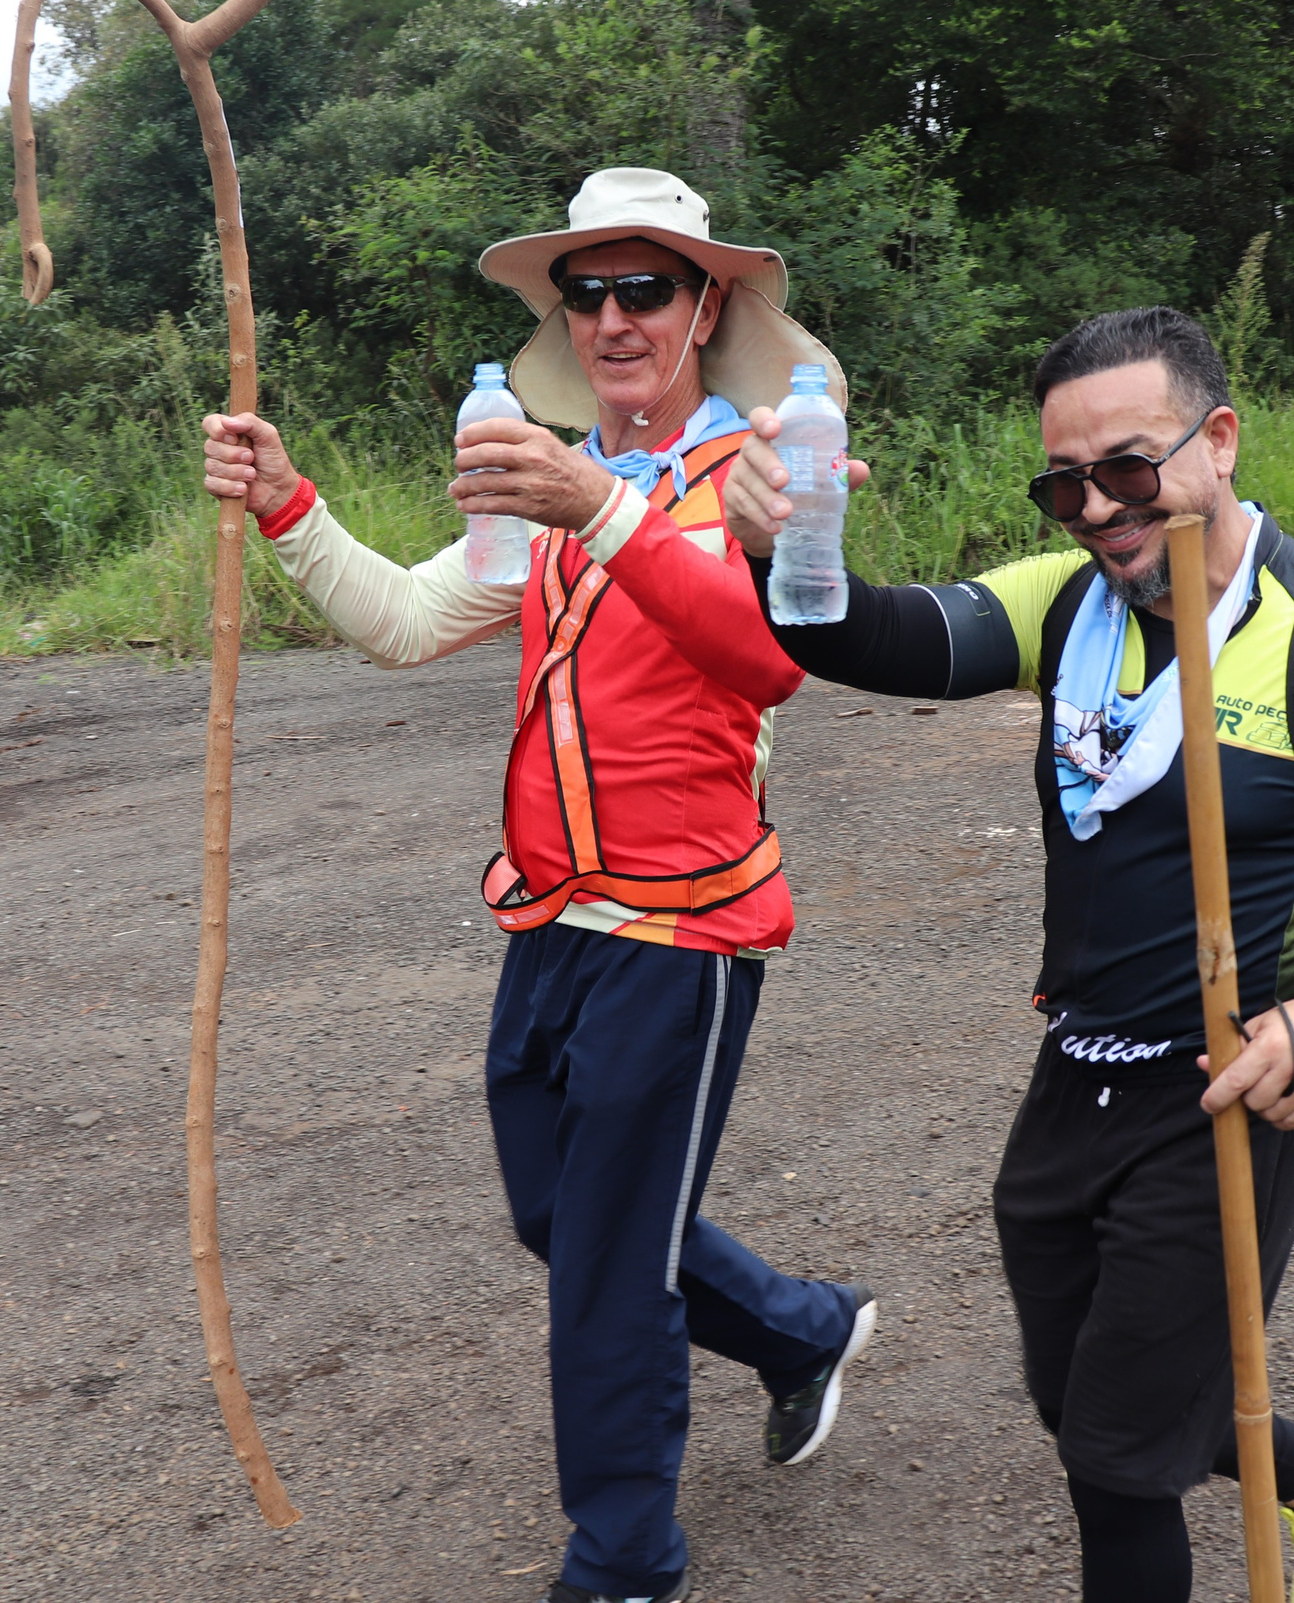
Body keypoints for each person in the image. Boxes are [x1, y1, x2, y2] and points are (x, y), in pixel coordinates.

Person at [718, 306, 1294, 1603]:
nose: (1099, 509)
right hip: (1077, 1073)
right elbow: (866, 637)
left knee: (1114, 1457)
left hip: (1233, 1094)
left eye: (1130, 469)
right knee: (1084, 1398)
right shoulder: (1066, 606)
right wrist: (785, 548)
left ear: (1220, 441)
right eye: (1067, 483)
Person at [198, 168, 877, 1603]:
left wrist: (603, 506)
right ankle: (802, 1329)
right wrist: (285, 505)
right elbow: (405, 620)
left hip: (684, 929)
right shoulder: (547, 479)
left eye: (647, 289)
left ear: (707, 307)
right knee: (559, 1219)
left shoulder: (757, 473)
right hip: (552, 918)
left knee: (611, 1269)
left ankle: (626, 1560)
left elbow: (770, 661)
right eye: (588, 292)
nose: (615, 319)